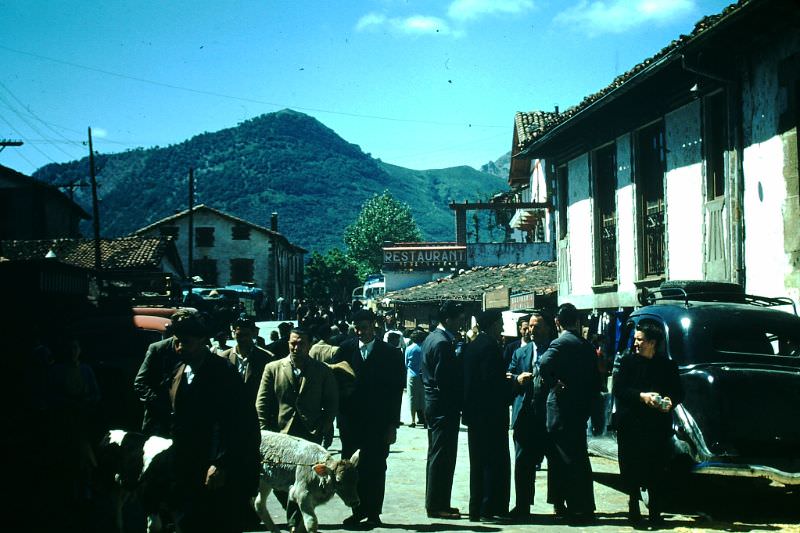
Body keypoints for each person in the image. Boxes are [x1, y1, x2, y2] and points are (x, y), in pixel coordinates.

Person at [133, 309, 261, 533]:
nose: (179, 347)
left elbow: (240, 425)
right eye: (176, 341)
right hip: (185, 467)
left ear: (202, 341)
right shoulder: (179, 370)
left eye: (186, 342)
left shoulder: (223, 372)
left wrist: (221, 463)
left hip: (216, 468)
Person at [256, 327, 339, 532]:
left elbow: (331, 402)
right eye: (293, 343)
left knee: (304, 482)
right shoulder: (273, 368)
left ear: (309, 345)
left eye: (301, 343)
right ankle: (296, 520)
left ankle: (295, 524)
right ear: (288, 343)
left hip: (310, 437)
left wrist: (325, 425)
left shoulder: (322, 370)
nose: (296, 347)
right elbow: (262, 402)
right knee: (279, 481)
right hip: (280, 437)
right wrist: (264, 432)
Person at [330, 309, 405, 528]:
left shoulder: (391, 353)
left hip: (378, 423)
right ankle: (357, 511)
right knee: (351, 469)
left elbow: (395, 393)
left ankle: (373, 512)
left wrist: (393, 425)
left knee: (376, 466)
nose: (359, 332)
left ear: (374, 326)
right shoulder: (345, 350)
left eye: (363, 327)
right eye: (356, 328)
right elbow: (334, 383)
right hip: (350, 422)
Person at [613, 321, 684, 525]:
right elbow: (619, 390)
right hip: (631, 425)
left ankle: (655, 510)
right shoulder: (627, 362)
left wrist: (669, 401)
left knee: (656, 467)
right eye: (635, 339)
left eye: (640, 340)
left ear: (652, 343)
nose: (636, 343)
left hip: (656, 426)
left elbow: (679, 392)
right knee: (631, 467)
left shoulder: (667, 366)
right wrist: (642, 396)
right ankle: (633, 505)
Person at [537, 303, 601, 524]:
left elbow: (543, 363)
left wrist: (554, 383)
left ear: (557, 322)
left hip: (561, 409)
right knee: (579, 457)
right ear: (577, 321)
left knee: (562, 458)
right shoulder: (586, 345)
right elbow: (596, 381)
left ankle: (570, 504)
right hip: (579, 409)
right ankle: (582, 504)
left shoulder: (560, 343)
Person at [461, 310, 512, 522]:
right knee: (493, 462)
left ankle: (476, 508)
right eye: (500, 324)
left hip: (474, 415)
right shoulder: (490, 348)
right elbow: (492, 385)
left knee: (478, 463)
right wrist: (514, 384)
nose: (502, 328)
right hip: (491, 415)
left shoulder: (472, 346)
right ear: (491, 325)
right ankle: (489, 508)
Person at [420, 301, 465, 520]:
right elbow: (445, 380)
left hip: (434, 403)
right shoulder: (443, 343)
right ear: (448, 320)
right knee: (442, 456)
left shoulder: (432, 338)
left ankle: (439, 502)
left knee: (437, 454)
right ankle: (437, 505)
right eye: (458, 319)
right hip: (443, 405)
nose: (460, 324)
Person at [507, 312, 552, 519]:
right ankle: (523, 505)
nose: (532, 330)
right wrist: (517, 379)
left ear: (547, 328)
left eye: (537, 326)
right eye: (531, 326)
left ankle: (558, 503)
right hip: (525, 414)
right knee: (523, 461)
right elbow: (508, 375)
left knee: (555, 460)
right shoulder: (520, 352)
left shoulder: (554, 351)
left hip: (548, 415)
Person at [219, 316, 274, 405]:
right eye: (239, 335)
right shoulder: (223, 358)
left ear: (253, 334)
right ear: (234, 334)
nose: (243, 339)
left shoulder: (266, 358)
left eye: (246, 335)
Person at [404, 329, 427, 428]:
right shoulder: (425, 348)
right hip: (423, 375)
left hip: (412, 375)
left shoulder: (409, 348)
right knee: (423, 399)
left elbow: (406, 363)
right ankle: (425, 420)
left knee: (412, 398)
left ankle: (413, 420)